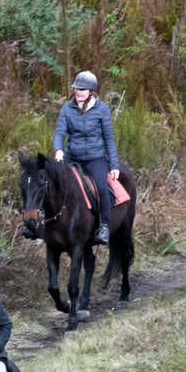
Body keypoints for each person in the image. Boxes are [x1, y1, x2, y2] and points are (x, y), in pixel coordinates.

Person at [53, 70, 121, 245]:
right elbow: (60, 132)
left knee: (101, 187)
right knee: (54, 183)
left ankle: (104, 226)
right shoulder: (67, 108)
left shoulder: (102, 109)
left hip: (95, 158)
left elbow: (109, 138)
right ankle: (51, 224)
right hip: (72, 156)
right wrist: (58, 150)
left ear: (91, 91)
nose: (78, 91)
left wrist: (114, 165)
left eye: (82, 89)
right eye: (76, 88)